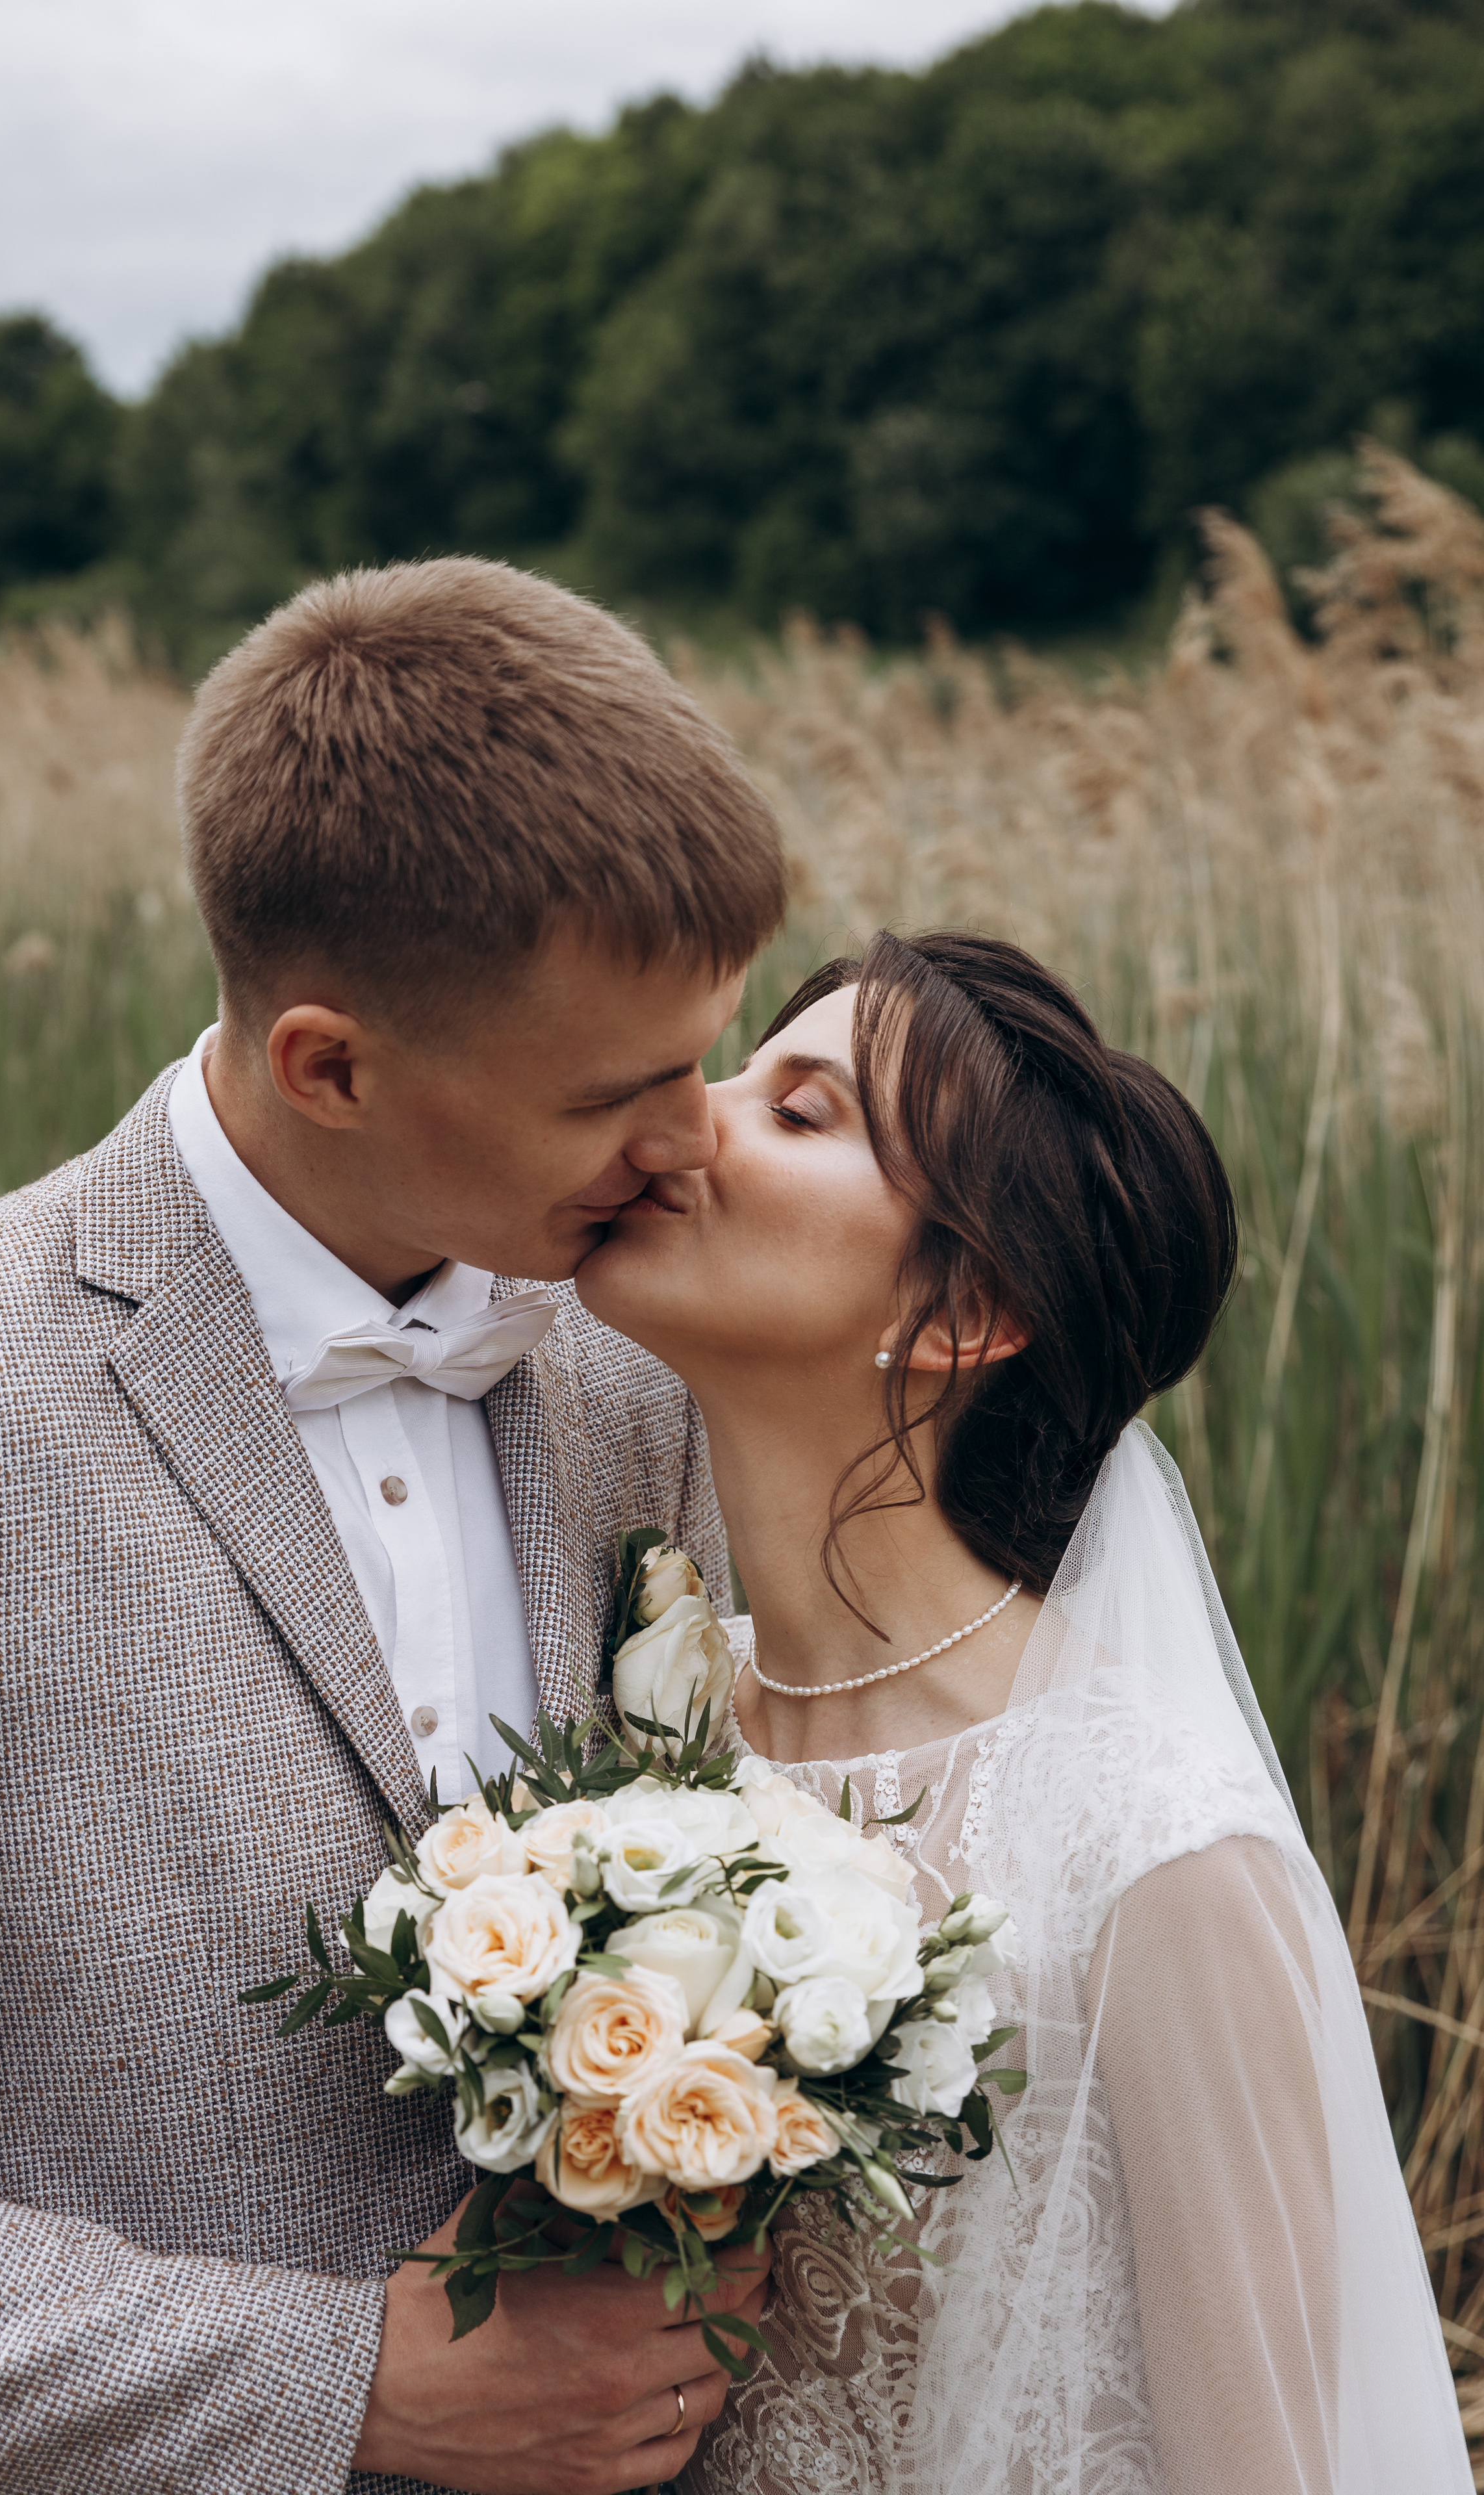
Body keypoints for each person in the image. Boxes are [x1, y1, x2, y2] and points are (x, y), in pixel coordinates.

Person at [0, 560, 781, 2495]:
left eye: (709, 1053)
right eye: (624, 1090)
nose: (701, 1143)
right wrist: (345, 2381)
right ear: (328, 1066)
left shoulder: (646, 1360)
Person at [578, 928, 1472, 2494]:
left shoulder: (1149, 1846)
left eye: (797, 1113)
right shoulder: (650, 1728)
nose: (683, 1119)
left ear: (962, 1312)